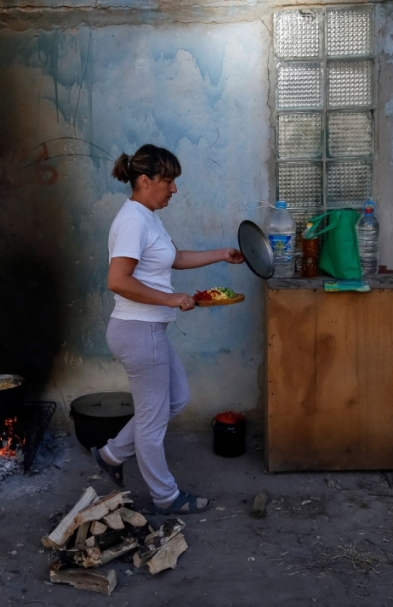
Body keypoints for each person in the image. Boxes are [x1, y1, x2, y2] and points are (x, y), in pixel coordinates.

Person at [91, 143, 244, 514]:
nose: (174, 189)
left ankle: (111, 455)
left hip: (147, 331)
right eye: (168, 181)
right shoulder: (131, 220)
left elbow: (173, 257)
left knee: (174, 400)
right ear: (145, 180)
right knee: (152, 421)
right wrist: (170, 299)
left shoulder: (148, 217)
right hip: (138, 331)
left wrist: (221, 253)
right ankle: (165, 496)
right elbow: (117, 280)